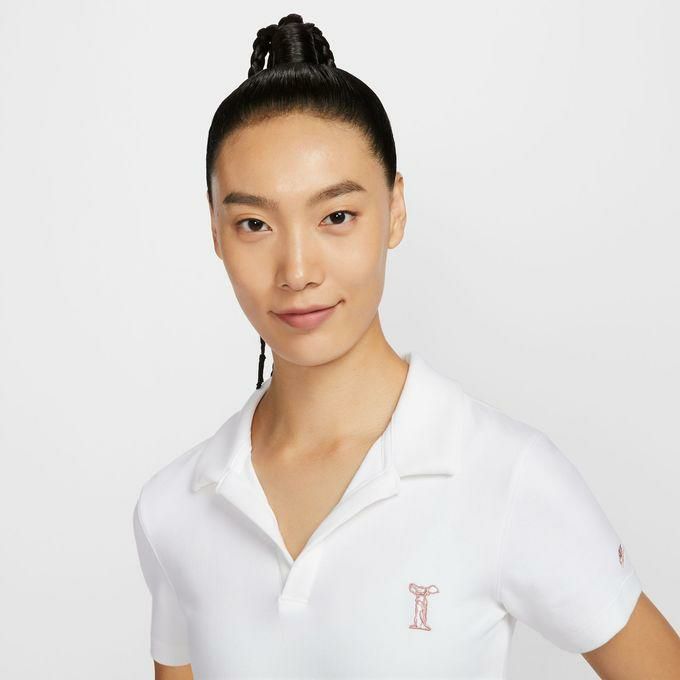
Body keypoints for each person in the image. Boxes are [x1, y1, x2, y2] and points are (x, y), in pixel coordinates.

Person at [132, 13, 680, 680]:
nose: (296, 270)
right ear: (215, 231)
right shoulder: (174, 508)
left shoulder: (505, 477)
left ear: (395, 210)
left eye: (336, 216)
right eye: (254, 223)